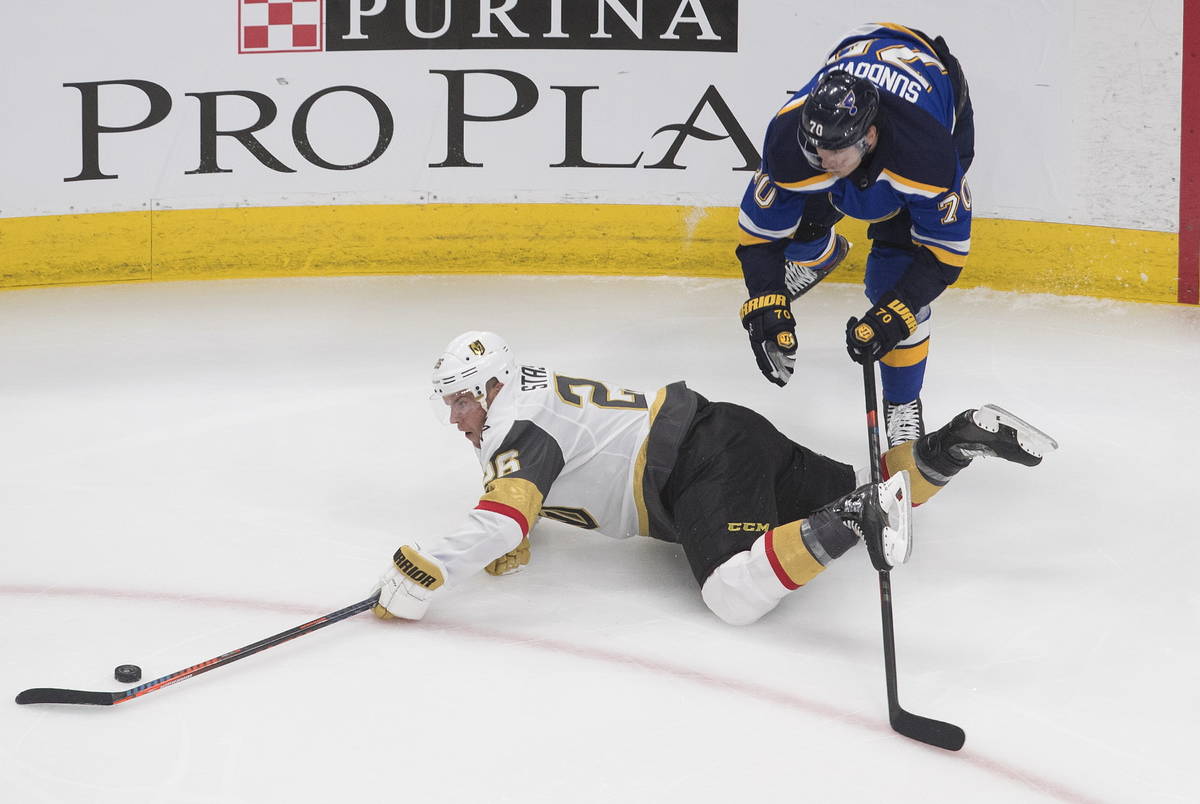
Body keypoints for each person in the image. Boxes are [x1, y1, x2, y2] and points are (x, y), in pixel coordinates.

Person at [372, 331, 1055, 626]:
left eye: (462, 398)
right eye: (450, 401)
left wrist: (428, 566)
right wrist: (512, 527)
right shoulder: (524, 398)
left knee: (733, 596)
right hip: (725, 427)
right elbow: (517, 498)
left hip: (697, 470)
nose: (457, 414)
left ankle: (856, 520)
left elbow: (505, 514)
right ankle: (959, 440)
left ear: (490, 386)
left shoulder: (513, 427)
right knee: (872, 480)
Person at [736, 22, 974, 447]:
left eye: (833, 152)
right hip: (860, 72)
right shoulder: (794, 140)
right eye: (815, 149)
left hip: (934, 100)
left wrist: (896, 311)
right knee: (799, 221)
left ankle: (903, 402)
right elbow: (760, 238)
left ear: (869, 136)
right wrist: (766, 296)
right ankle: (817, 255)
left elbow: (944, 254)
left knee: (892, 285)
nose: (820, 160)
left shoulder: (928, 158)